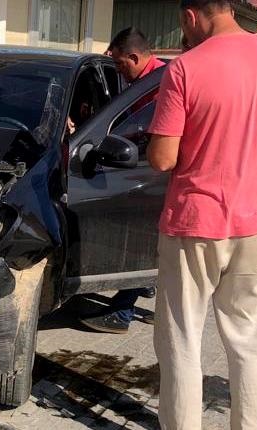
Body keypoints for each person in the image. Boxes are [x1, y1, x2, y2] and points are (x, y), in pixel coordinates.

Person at [146, 1, 257, 428]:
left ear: (190, 16)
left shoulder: (185, 68)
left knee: (182, 339)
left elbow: (163, 158)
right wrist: (253, 156)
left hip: (195, 221)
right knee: (247, 343)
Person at [80, 27, 166, 335]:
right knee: (152, 244)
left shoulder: (163, 84)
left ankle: (123, 311)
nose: (118, 71)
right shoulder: (145, 80)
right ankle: (145, 284)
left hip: (152, 169)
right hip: (143, 164)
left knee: (143, 240)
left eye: (120, 64)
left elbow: (148, 131)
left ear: (134, 56)